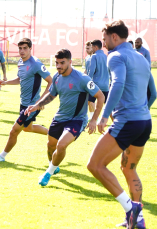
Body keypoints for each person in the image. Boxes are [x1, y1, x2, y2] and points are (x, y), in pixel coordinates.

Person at [87, 20, 156, 229]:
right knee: (129, 169)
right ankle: (137, 220)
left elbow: (118, 83)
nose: (104, 42)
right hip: (144, 123)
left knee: (95, 165)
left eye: (105, 37)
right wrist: (141, 109)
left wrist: (104, 115)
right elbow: (153, 93)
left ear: (114, 37)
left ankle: (130, 208)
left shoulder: (115, 56)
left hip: (127, 122)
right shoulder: (142, 58)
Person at [25, 48, 104, 187]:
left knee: (61, 145)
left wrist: (93, 120)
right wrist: (36, 105)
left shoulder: (82, 78)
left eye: (62, 63)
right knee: (50, 146)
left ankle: (48, 173)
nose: (59, 66)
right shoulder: (56, 77)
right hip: (59, 118)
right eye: (57, 63)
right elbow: (51, 95)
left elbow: (100, 96)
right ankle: (53, 166)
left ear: (70, 62)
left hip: (77, 120)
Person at [0, 38, 52, 162]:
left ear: (30, 49)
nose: (22, 51)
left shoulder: (36, 64)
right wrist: (5, 82)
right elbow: (19, 79)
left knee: (14, 131)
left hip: (31, 106)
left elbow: (51, 81)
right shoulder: (21, 62)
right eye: (20, 48)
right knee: (28, 128)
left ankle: (2, 156)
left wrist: (41, 102)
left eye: (25, 48)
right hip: (23, 103)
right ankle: (53, 134)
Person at [87, 39, 110, 120]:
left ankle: (94, 119)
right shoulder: (106, 56)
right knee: (108, 105)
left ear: (95, 47)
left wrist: (87, 82)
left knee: (90, 101)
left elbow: (91, 71)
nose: (91, 49)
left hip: (96, 85)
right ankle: (115, 123)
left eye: (92, 47)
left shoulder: (94, 56)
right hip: (106, 85)